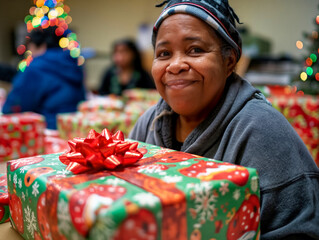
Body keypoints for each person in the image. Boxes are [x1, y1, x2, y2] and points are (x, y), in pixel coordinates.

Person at [129, 0, 319, 239]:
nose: (175, 65)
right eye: (164, 53)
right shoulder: (149, 124)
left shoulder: (262, 131)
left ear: (229, 61)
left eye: (195, 49)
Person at [2, 26, 86, 129]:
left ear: (42, 45)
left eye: (30, 48)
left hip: (47, 130)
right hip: (74, 128)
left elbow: (13, 108)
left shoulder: (36, 67)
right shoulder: (73, 63)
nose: (29, 53)